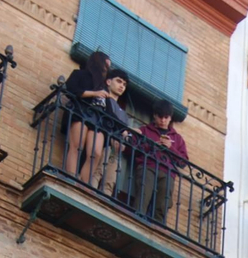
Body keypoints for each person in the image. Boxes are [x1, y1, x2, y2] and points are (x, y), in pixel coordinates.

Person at [62, 50, 112, 182]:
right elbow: (70, 89)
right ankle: (71, 177)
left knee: (95, 153)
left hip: (98, 121)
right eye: (106, 66)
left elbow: (109, 108)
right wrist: (94, 93)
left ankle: (84, 184)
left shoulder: (104, 86)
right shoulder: (80, 74)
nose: (107, 69)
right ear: (99, 63)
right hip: (81, 112)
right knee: (76, 146)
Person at [135, 101, 188, 223]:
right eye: (160, 117)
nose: (163, 120)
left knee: (162, 204)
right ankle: (137, 221)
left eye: (166, 117)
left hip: (168, 173)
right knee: (143, 195)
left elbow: (183, 162)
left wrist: (170, 147)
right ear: (154, 115)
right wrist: (152, 147)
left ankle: (157, 230)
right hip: (148, 167)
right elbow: (132, 148)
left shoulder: (177, 138)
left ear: (170, 118)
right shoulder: (144, 130)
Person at [98, 69, 136, 201]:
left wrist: (125, 141)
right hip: (104, 143)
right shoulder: (102, 98)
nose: (122, 86)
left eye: (124, 84)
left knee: (110, 181)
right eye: (119, 81)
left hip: (117, 149)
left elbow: (125, 132)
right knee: (97, 172)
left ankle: (103, 203)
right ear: (108, 81)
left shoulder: (123, 114)